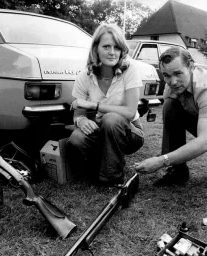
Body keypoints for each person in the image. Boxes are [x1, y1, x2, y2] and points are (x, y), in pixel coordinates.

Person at [66, 23, 144, 186]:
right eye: (106, 46)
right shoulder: (84, 76)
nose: (112, 52)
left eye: (116, 47)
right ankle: (100, 164)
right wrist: (82, 121)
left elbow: (130, 112)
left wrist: (93, 105)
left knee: (111, 119)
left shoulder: (131, 70)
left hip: (130, 131)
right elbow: (78, 114)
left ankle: (112, 177)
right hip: (100, 127)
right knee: (77, 138)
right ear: (96, 49)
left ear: (122, 49)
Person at [135, 47, 207, 185]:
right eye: (166, 75)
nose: (172, 82)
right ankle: (178, 171)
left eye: (178, 73)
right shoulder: (172, 86)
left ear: (191, 66)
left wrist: (162, 161)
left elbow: (205, 141)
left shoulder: (204, 87)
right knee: (170, 106)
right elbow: (171, 117)